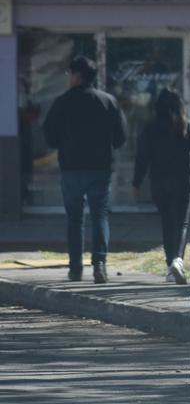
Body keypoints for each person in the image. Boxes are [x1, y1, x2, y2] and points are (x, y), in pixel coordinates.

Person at [41, 54, 127, 284]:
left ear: (77, 75)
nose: (68, 77)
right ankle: (99, 264)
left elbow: (49, 135)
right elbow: (120, 137)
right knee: (100, 215)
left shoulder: (62, 102)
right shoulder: (107, 101)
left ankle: (75, 268)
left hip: (71, 168)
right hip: (100, 168)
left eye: (69, 74)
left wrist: (65, 144)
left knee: (75, 219)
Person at [132, 88, 190, 285]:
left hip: (159, 183)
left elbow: (142, 157)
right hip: (181, 182)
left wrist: (136, 182)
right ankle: (177, 261)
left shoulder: (150, 128)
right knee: (182, 224)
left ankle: (171, 264)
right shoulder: (184, 126)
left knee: (167, 224)